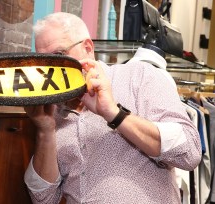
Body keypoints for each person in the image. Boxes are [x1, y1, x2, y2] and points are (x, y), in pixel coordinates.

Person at [24, 12, 202, 204]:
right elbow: (43, 199)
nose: (51, 69)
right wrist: (45, 130)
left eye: (59, 55)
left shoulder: (140, 77)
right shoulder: (51, 110)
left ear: (87, 48)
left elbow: (189, 153)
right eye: (43, 61)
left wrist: (114, 113)